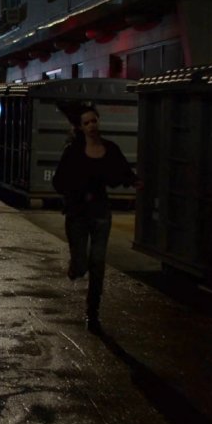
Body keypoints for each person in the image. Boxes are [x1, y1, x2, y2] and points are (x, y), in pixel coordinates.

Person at [52, 101, 143, 334]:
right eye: (87, 122)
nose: (92, 125)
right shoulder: (73, 152)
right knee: (82, 264)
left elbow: (123, 171)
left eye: (94, 120)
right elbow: (59, 181)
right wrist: (75, 191)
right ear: (80, 128)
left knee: (98, 263)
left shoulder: (109, 149)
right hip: (78, 214)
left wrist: (134, 182)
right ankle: (75, 266)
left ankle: (93, 313)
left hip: (101, 212)